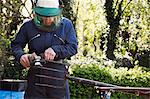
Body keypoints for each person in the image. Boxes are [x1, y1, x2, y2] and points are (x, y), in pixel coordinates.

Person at [11, 0, 78, 98]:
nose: (47, 20)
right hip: (35, 78)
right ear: (36, 12)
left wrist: (56, 50)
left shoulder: (66, 25)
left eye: (51, 16)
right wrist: (21, 55)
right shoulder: (28, 26)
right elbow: (16, 45)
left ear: (58, 12)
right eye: (44, 16)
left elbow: (73, 47)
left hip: (58, 78)